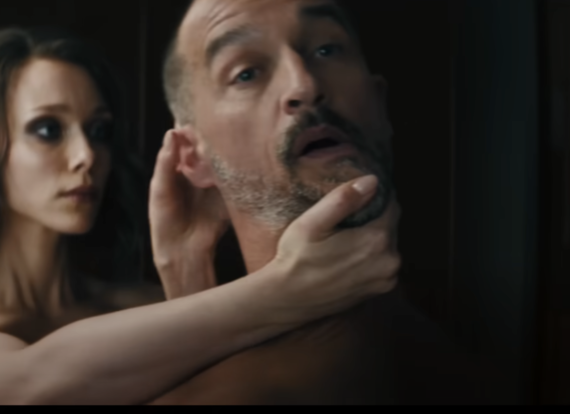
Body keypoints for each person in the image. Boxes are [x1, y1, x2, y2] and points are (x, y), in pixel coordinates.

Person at [0, 27, 399, 405]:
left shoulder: (143, 306)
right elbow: (21, 387)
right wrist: (290, 288)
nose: (87, 156)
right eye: (49, 129)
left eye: (99, 130)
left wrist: (186, 267)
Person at [148, 0, 509, 404]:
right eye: (246, 73)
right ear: (193, 157)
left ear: (379, 103)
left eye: (326, 49)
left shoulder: (463, 369)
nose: (304, 85)